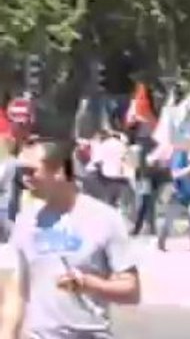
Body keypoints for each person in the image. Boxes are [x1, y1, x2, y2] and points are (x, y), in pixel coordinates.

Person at [0, 139, 140, 339]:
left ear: (59, 171)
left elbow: (132, 291)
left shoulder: (104, 218)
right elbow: (18, 289)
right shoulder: (26, 221)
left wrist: (91, 285)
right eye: (22, 173)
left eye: (32, 172)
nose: (25, 180)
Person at [157, 139, 190, 253]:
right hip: (178, 193)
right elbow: (175, 174)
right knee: (169, 220)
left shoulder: (189, 155)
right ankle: (161, 242)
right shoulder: (180, 155)